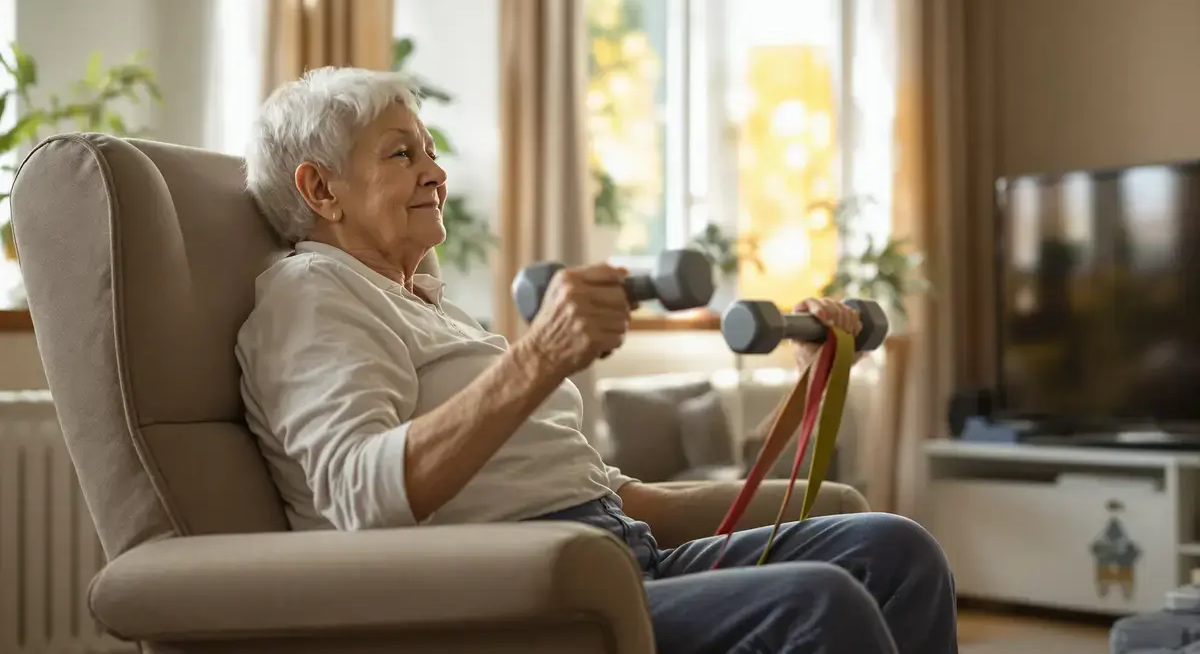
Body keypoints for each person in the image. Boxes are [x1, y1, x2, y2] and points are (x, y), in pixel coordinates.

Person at [236, 66, 957, 654]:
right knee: (818, 603)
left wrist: (809, 388)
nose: (436, 173)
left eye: (430, 151)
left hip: (618, 557)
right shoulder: (313, 295)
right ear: (320, 188)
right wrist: (541, 355)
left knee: (896, 552)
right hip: (523, 603)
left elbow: (613, 497)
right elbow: (360, 497)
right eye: (402, 154)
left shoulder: (428, 305)